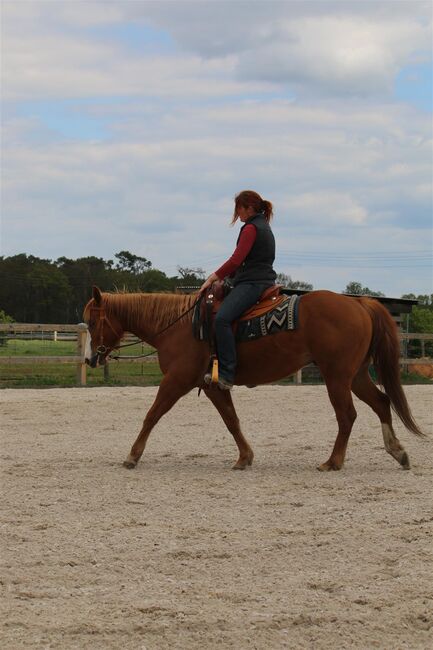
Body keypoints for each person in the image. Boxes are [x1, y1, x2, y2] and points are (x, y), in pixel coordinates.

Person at [200, 190, 277, 389]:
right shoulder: (264, 227)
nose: (238, 214)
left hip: (252, 283)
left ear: (248, 208)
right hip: (260, 280)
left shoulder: (251, 228)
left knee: (222, 319)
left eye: (239, 209)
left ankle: (227, 372)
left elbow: (236, 260)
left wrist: (213, 277)